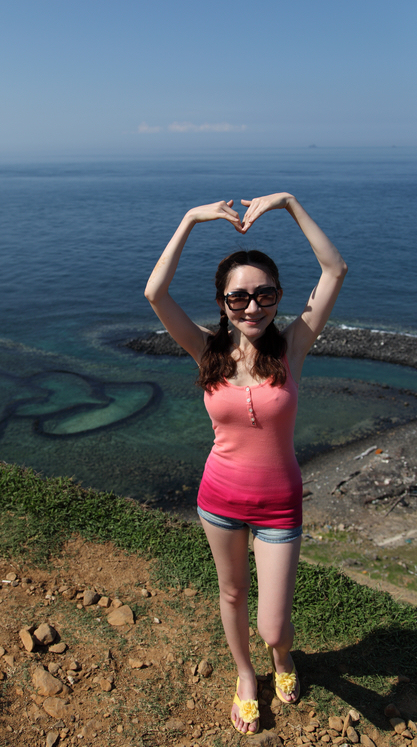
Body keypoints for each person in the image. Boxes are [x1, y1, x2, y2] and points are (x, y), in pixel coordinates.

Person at [145, 193, 347, 735]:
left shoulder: (293, 348)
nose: (252, 307)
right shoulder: (205, 350)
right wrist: (189, 218)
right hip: (219, 500)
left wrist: (289, 204)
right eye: (238, 298)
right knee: (231, 593)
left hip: (280, 504)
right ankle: (244, 674)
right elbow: (155, 293)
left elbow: (335, 268)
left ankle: (281, 656)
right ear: (222, 302)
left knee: (273, 622)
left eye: (264, 295)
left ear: (278, 298)